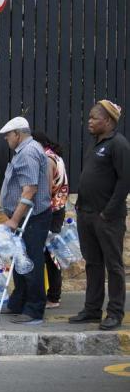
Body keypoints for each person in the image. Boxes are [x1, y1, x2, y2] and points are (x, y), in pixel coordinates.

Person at [69, 100, 129, 331]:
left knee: (113, 265)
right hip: (86, 214)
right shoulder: (96, 145)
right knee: (93, 263)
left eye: (94, 118)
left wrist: (108, 212)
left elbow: (125, 181)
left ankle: (114, 312)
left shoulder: (118, 145)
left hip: (107, 217)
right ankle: (92, 309)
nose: (89, 122)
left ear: (109, 121)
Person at [0, 117, 52, 325]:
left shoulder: (28, 152)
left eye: (8, 136)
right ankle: (18, 302)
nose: (6, 139)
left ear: (17, 134)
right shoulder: (28, 150)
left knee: (30, 261)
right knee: (20, 260)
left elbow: (30, 190)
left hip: (33, 217)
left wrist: (14, 219)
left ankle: (33, 309)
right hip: (28, 217)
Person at [31, 131, 69, 309]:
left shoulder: (47, 160)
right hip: (58, 209)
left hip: (50, 211)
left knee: (49, 254)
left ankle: (53, 297)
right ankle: (54, 295)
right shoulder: (55, 157)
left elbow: (44, 191)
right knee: (50, 253)